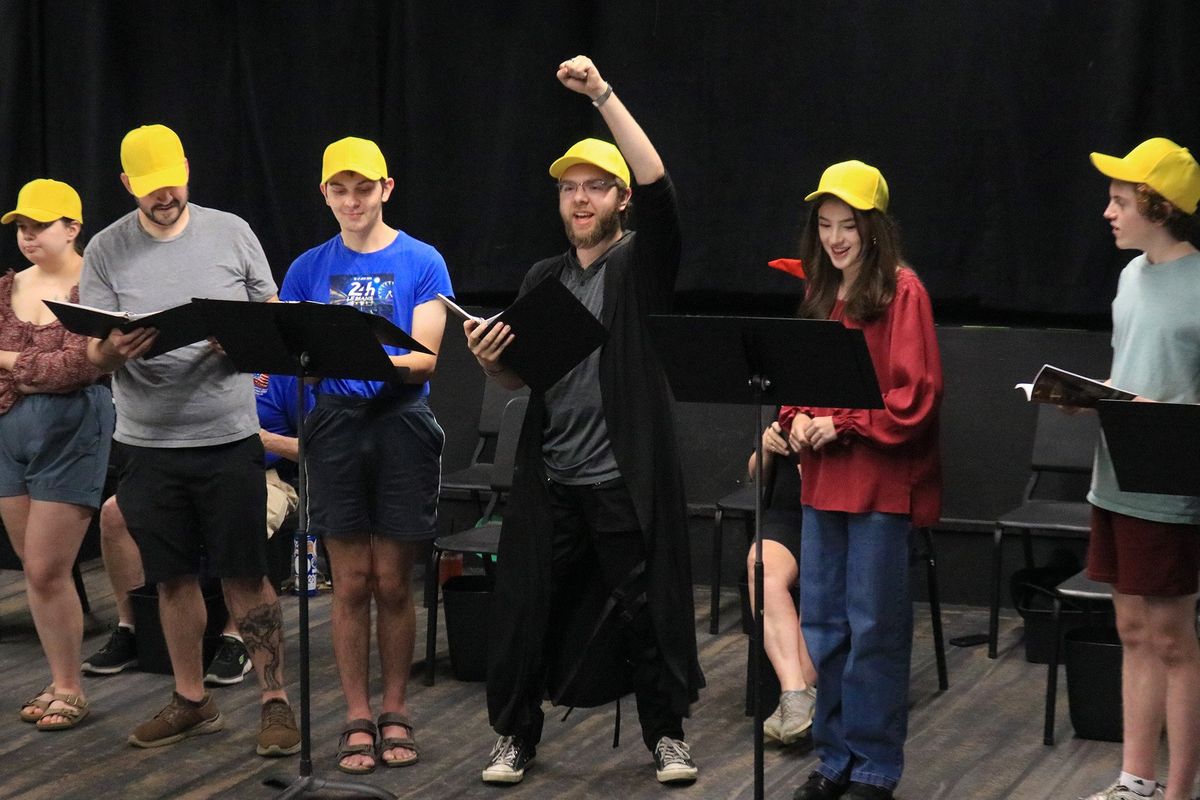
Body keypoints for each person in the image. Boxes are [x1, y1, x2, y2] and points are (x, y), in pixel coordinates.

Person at [466, 56, 703, 786]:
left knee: (644, 613)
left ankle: (667, 737)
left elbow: (660, 182)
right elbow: (522, 378)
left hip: (619, 477)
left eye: (594, 188)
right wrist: (490, 361)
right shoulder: (545, 277)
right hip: (553, 476)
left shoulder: (638, 266)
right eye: (569, 189)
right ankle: (515, 737)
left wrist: (602, 95)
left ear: (619, 200)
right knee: (528, 611)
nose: (578, 200)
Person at [80, 123, 300, 757]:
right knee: (171, 577)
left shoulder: (230, 231)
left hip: (228, 436)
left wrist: (247, 337)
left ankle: (273, 699)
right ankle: (192, 699)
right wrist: (112, 349)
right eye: (149, 189)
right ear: (127, 185)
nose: (164, 197)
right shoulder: (105, 249)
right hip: (148, 443)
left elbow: (272, 314)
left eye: (171, 183)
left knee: (245, 575)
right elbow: (94, 352)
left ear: (186, 169)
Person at [279, 136, 451, 774]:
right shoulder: (306, 267)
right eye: (339, 189)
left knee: (392, 581)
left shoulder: (422, 260)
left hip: (401, 425)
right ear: (325, 194)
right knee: (349, 583)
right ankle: (356, 713)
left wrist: (349, 355)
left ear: (386, 189)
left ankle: (395, 708)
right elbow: (286, 346)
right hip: (337, 427)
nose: (352, 200)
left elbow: (424, 359)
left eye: (364, 187)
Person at [783, 161, 942, 800]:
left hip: (878, 482)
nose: (836, 238)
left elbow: (914, 397)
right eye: (825, 225)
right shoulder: (823, 291)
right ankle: (834, 759)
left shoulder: (904, 292)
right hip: (825, 481)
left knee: (873, 625)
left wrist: (841, 422)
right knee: (823, 623)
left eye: (848, 225)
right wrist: (792, 420)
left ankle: (875, 767)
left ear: (874, 229)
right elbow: (800, 376)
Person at [1078, 138, 1200, 800]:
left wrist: (1168, 409)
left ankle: (1180, 790)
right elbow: (1131, 372)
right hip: (1114, 479)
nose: (1108, 212)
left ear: (1160, 205)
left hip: (1170, 488)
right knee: (1129, 629)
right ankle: (1136, 780)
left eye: (1120, 200)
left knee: (1173, 640)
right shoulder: (1130, 278)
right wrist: (1089, 394)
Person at [82, 371, 314, 686]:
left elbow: (316, 448)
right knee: (113, 513)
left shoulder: (281, 376)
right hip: (184, 464)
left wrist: (258, 436)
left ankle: (237, 638)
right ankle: (131, 628)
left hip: (264, 474)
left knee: (250, 514)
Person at [1, 179, 114, 731]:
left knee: (48, 565)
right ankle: (59, 676)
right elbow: (43, 367)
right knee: (36, 571)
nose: (27, 236)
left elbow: (76, 369)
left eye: (39, 226)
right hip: (8, 436)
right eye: (21, 226)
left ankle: (71, 686)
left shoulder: (94, 285)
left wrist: (9, 363)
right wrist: (24, 367)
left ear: (73, 227)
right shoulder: (7, 287)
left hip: (72, 432)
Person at [744, 421, 817, 745]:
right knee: (762, 565)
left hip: (838, 510)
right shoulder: (786, 396)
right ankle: (795, 690)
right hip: (788, 513)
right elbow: (754, 474)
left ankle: (794, 701)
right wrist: (766, 447)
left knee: (824, 576)